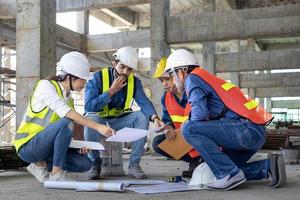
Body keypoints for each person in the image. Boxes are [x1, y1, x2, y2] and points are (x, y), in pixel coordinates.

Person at [163, 49, 286, 190]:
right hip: (254, 132)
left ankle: (229, 174)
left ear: (181, 72)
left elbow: (199, 114)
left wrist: (188, 124)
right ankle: (268, 166)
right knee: (222, 166)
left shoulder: (192, 78)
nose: (173, 79)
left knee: (189, 128)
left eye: (172, 74)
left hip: (244, 130)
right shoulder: (205, 77)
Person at [14, 52, 115, 183]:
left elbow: (62, 133)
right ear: (69, 77)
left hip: (47, 149)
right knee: (66, 122)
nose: (84, 83)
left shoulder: (69, 100)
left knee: (85, 163)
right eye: (82, 79)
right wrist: (98, 126)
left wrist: (78, 146)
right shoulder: (46, 86)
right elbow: (66, 116)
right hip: (28, 146)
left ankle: (41, 165)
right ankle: (56, 174)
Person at [84, 46, 163, 180]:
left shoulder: (134, 81)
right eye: (122, 67)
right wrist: (111, 91)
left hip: (120, 120)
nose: (125, 72)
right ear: (114, 63)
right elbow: (89, 107)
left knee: (143, 116)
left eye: (129, 69)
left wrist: (155, 118)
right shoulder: (97, 78)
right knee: (90, 119)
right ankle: (94, 163)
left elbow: (143, 101)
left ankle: (134, 165)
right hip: (101, 121)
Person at [151, 57, 202, 178]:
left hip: (200, 136)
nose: (164, 84)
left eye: (167, 79)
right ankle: (194, 162)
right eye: (161, 80)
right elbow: (168, 121)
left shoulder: (194, 91)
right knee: (158, 143)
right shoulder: (166, 97)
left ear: (178, 75)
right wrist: (167, 128)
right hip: (185, 139)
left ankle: (205, 160)